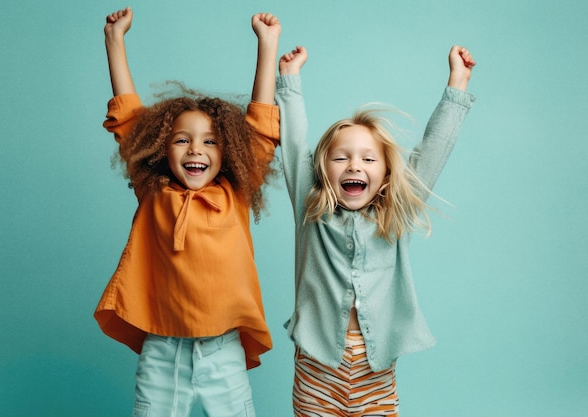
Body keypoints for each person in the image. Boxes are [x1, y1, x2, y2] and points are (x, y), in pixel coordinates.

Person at [94, 6, 281, 417]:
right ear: (161, 147)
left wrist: (267, 48)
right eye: (182, 140)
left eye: (210, 142)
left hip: (222, 350)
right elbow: (128, 120)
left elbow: (263, 130)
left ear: (228, 151)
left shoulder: (236, 193)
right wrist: (115, 41)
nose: (196, 149)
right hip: (162, 349)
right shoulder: (154, 191)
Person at [275, 45, 476, 416]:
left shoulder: (394, 216)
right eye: (341, 157)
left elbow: (433, 151)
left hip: (376, 375)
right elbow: (294, 144)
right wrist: (289, 79)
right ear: (322, 172)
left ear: (385, 175)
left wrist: (457, 85)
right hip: (317, 374)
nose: (354, 165)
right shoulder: (311, 208)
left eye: (368, 159)